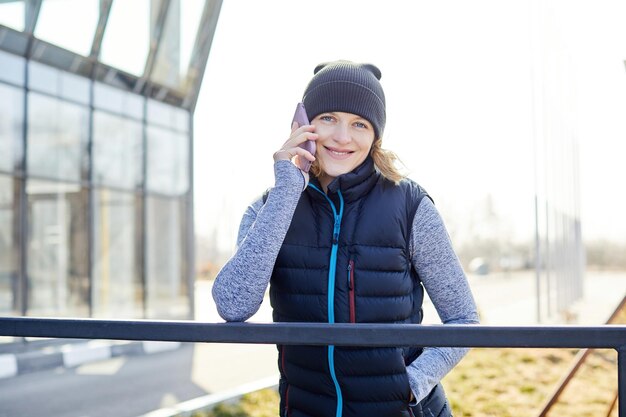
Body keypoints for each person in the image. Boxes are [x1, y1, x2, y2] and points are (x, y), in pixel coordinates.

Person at [212, 60, 479, 417]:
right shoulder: (269, 207)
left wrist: (411, 386)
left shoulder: (410, 205)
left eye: (359, 124)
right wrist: (288, 190)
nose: (342, 137)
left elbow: (463, 318)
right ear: (304, 124)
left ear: (375, 135)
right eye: (328, 118)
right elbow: (233, 304)